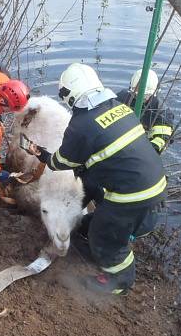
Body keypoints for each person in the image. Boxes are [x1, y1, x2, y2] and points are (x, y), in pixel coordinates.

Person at [26, 63, 166, 295]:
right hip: (155, 184)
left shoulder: (81, 126)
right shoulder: (120, 108)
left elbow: (62, 162)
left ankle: (119, 282)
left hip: (130, 196)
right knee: (90, 226)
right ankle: (102, 242)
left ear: (69, 95)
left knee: (105, 239)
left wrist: (41, 154)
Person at [116, 69, 174, 154]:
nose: (143, 98)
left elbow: (162, 139)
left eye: (147, 95)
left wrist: (144, 153)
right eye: (137, 95)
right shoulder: (121, 99)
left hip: (146, 148)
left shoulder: (162, 112)